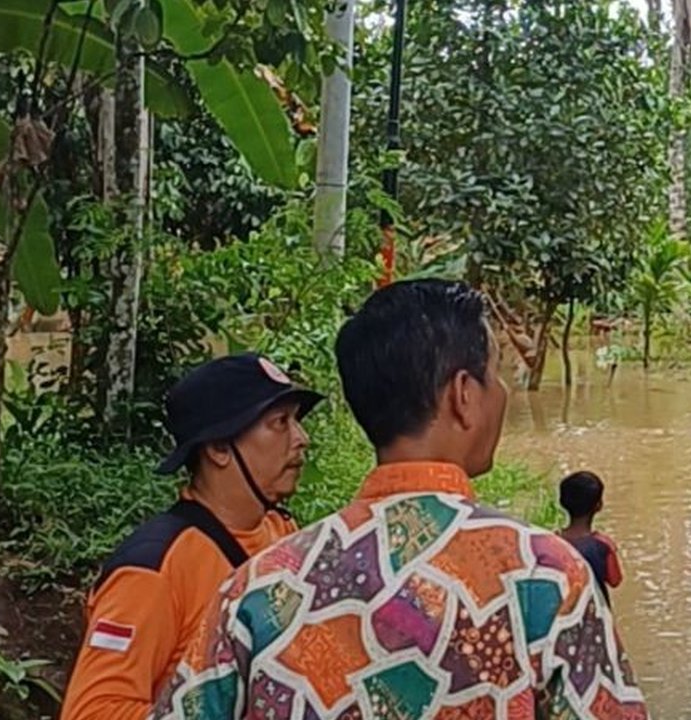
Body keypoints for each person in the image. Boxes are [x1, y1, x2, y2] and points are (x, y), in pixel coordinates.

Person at [150, 280, 647, 720]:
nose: (503, 393)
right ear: (463, 394)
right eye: (495, 375)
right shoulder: (544, 577)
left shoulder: (258, 589)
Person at [61, 354, 323, 720]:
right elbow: (90, 712)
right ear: (218, 448)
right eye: (280, 422)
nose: (301, 439)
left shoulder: (281, 531)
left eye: (296, 420)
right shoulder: (153, 570)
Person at [558, 471, 624, 605]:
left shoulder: (551, 540)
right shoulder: (604, 545)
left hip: (563, 614)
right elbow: (615, 580)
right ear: (599, 505)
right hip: (596, 614)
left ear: (562, 502)